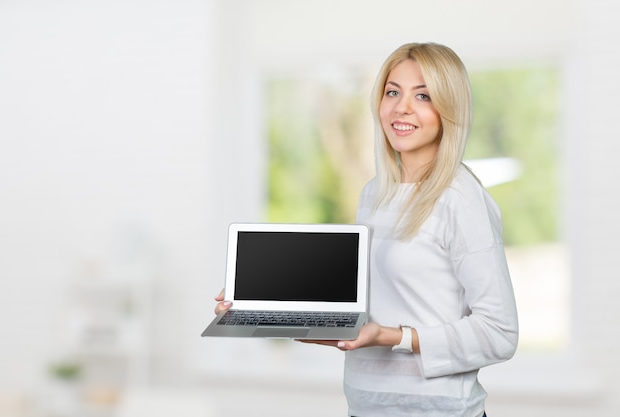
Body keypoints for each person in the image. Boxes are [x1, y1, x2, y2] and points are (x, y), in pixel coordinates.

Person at [214, 42, 518, 417]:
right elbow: (363, 318)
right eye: (393, 92)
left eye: (423, 95)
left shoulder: (461, 198)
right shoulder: (375, 193)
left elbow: (499, 333)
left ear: (449, 109)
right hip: (366, 407)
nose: (401, 107)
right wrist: (266, 298)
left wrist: (394, 337)